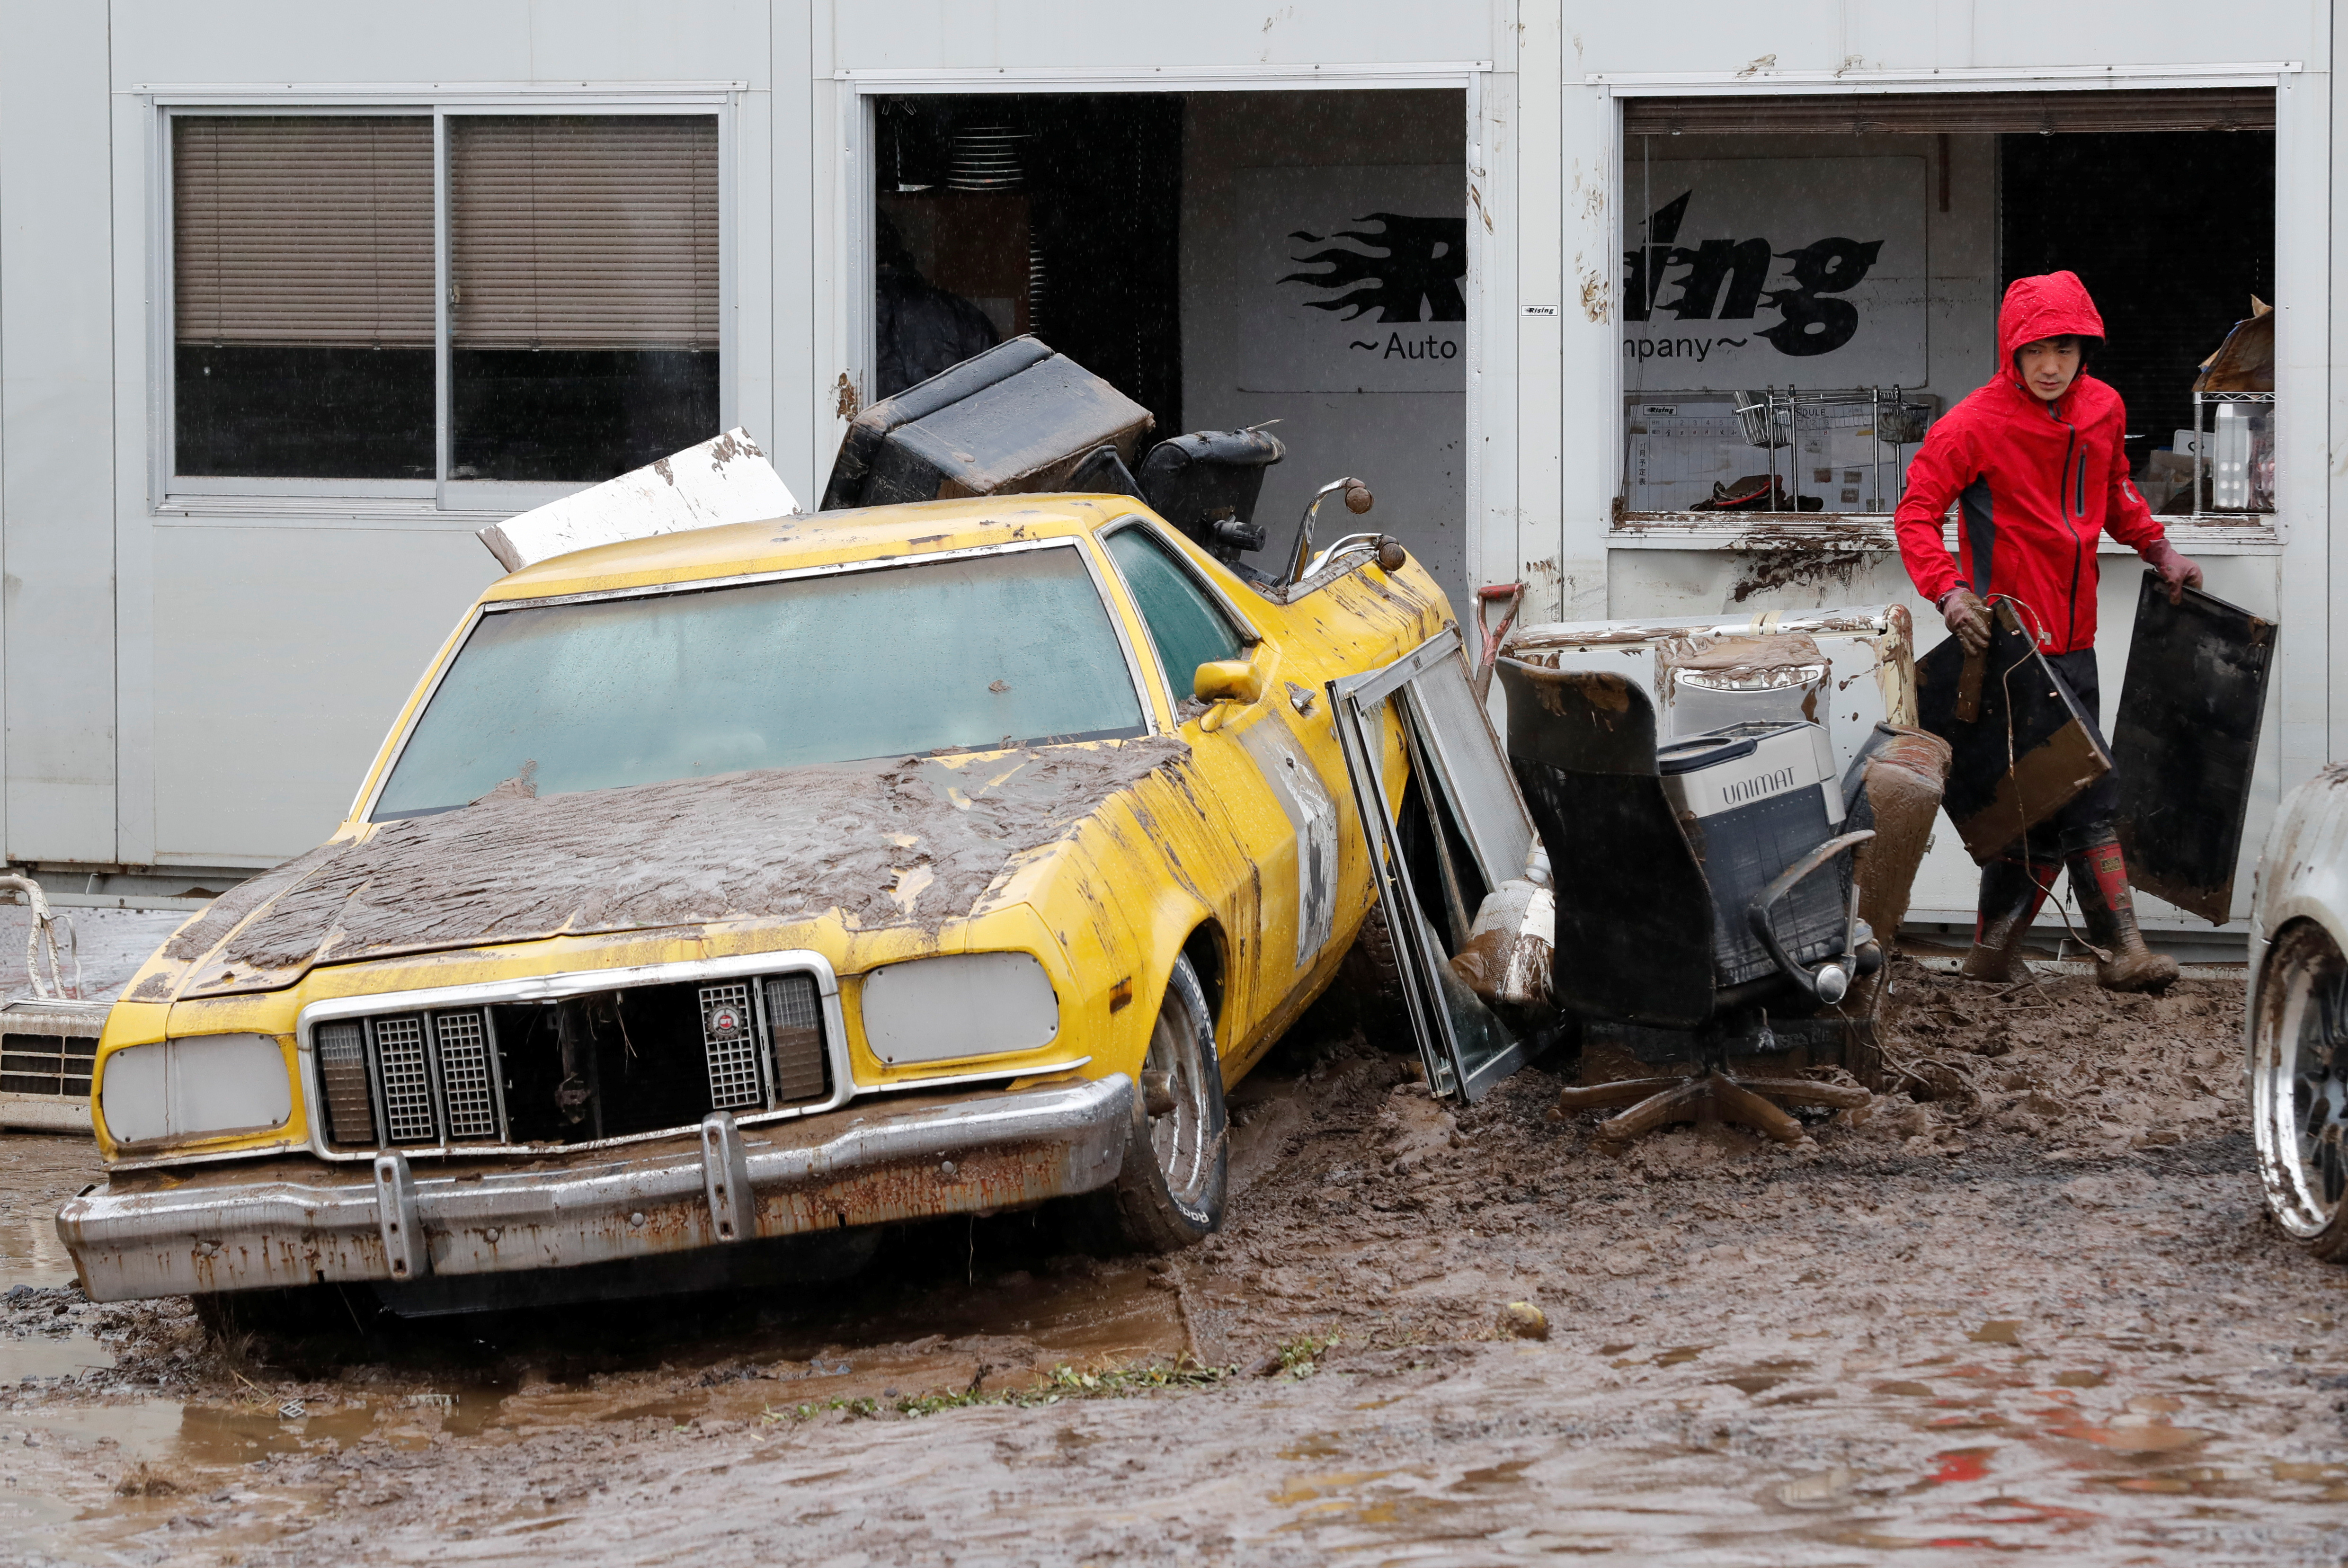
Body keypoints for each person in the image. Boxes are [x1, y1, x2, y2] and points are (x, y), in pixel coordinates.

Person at [1893, 270, 2203, 992]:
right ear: (2011, 350)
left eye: (2064, 347)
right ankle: (2124, 951)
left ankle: (1992, 955)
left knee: (2036, 802)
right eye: (2035, 350)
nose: (2051, 365)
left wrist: (2160, 550)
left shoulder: (2103, 409)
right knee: (2087, 789)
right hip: (2010, 650)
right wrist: (1949, 593)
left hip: (2078, 639)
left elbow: (2118, 491)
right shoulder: (1972, 424)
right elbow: (1915, 513)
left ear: (2083, 347)